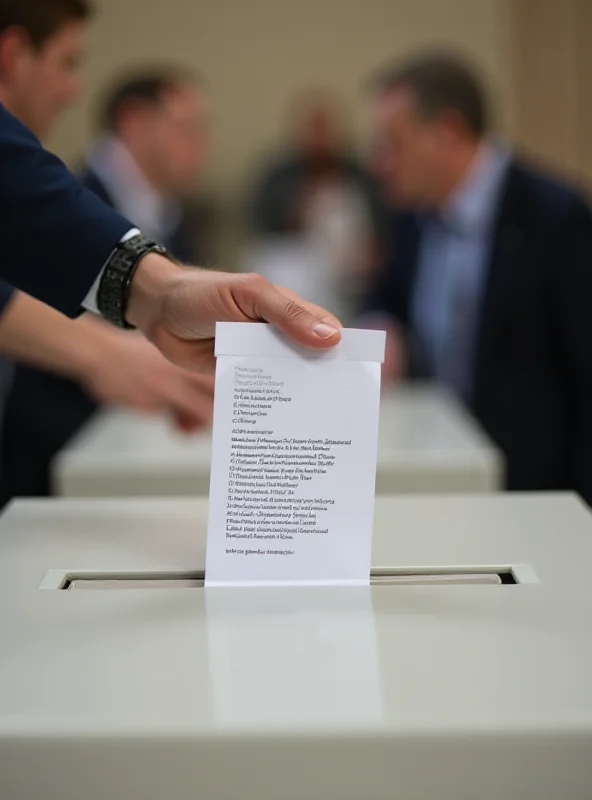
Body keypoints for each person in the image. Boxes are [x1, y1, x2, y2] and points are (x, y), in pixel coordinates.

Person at [0, 0, 216, 500]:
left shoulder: (178, 213)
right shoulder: (56, 193)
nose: (75, 88)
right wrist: (120, 341)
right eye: (67, 62)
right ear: (13, 54)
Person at [361, 51, 592, 503]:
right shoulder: (413, 214)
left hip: (534, 492)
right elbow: (389, 294)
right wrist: (380, 321)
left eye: (392, 143)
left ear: (447, 132)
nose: (379, 162)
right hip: (438, 470)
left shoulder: (555, 217)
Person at [247, 89, 386, 322]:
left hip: (354, 276)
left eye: (325, 127)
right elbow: (263, 220)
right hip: (295, 271)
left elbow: (381, 224)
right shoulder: (278, 175)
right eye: (313, 128)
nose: (320, 137)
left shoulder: (359, 175)